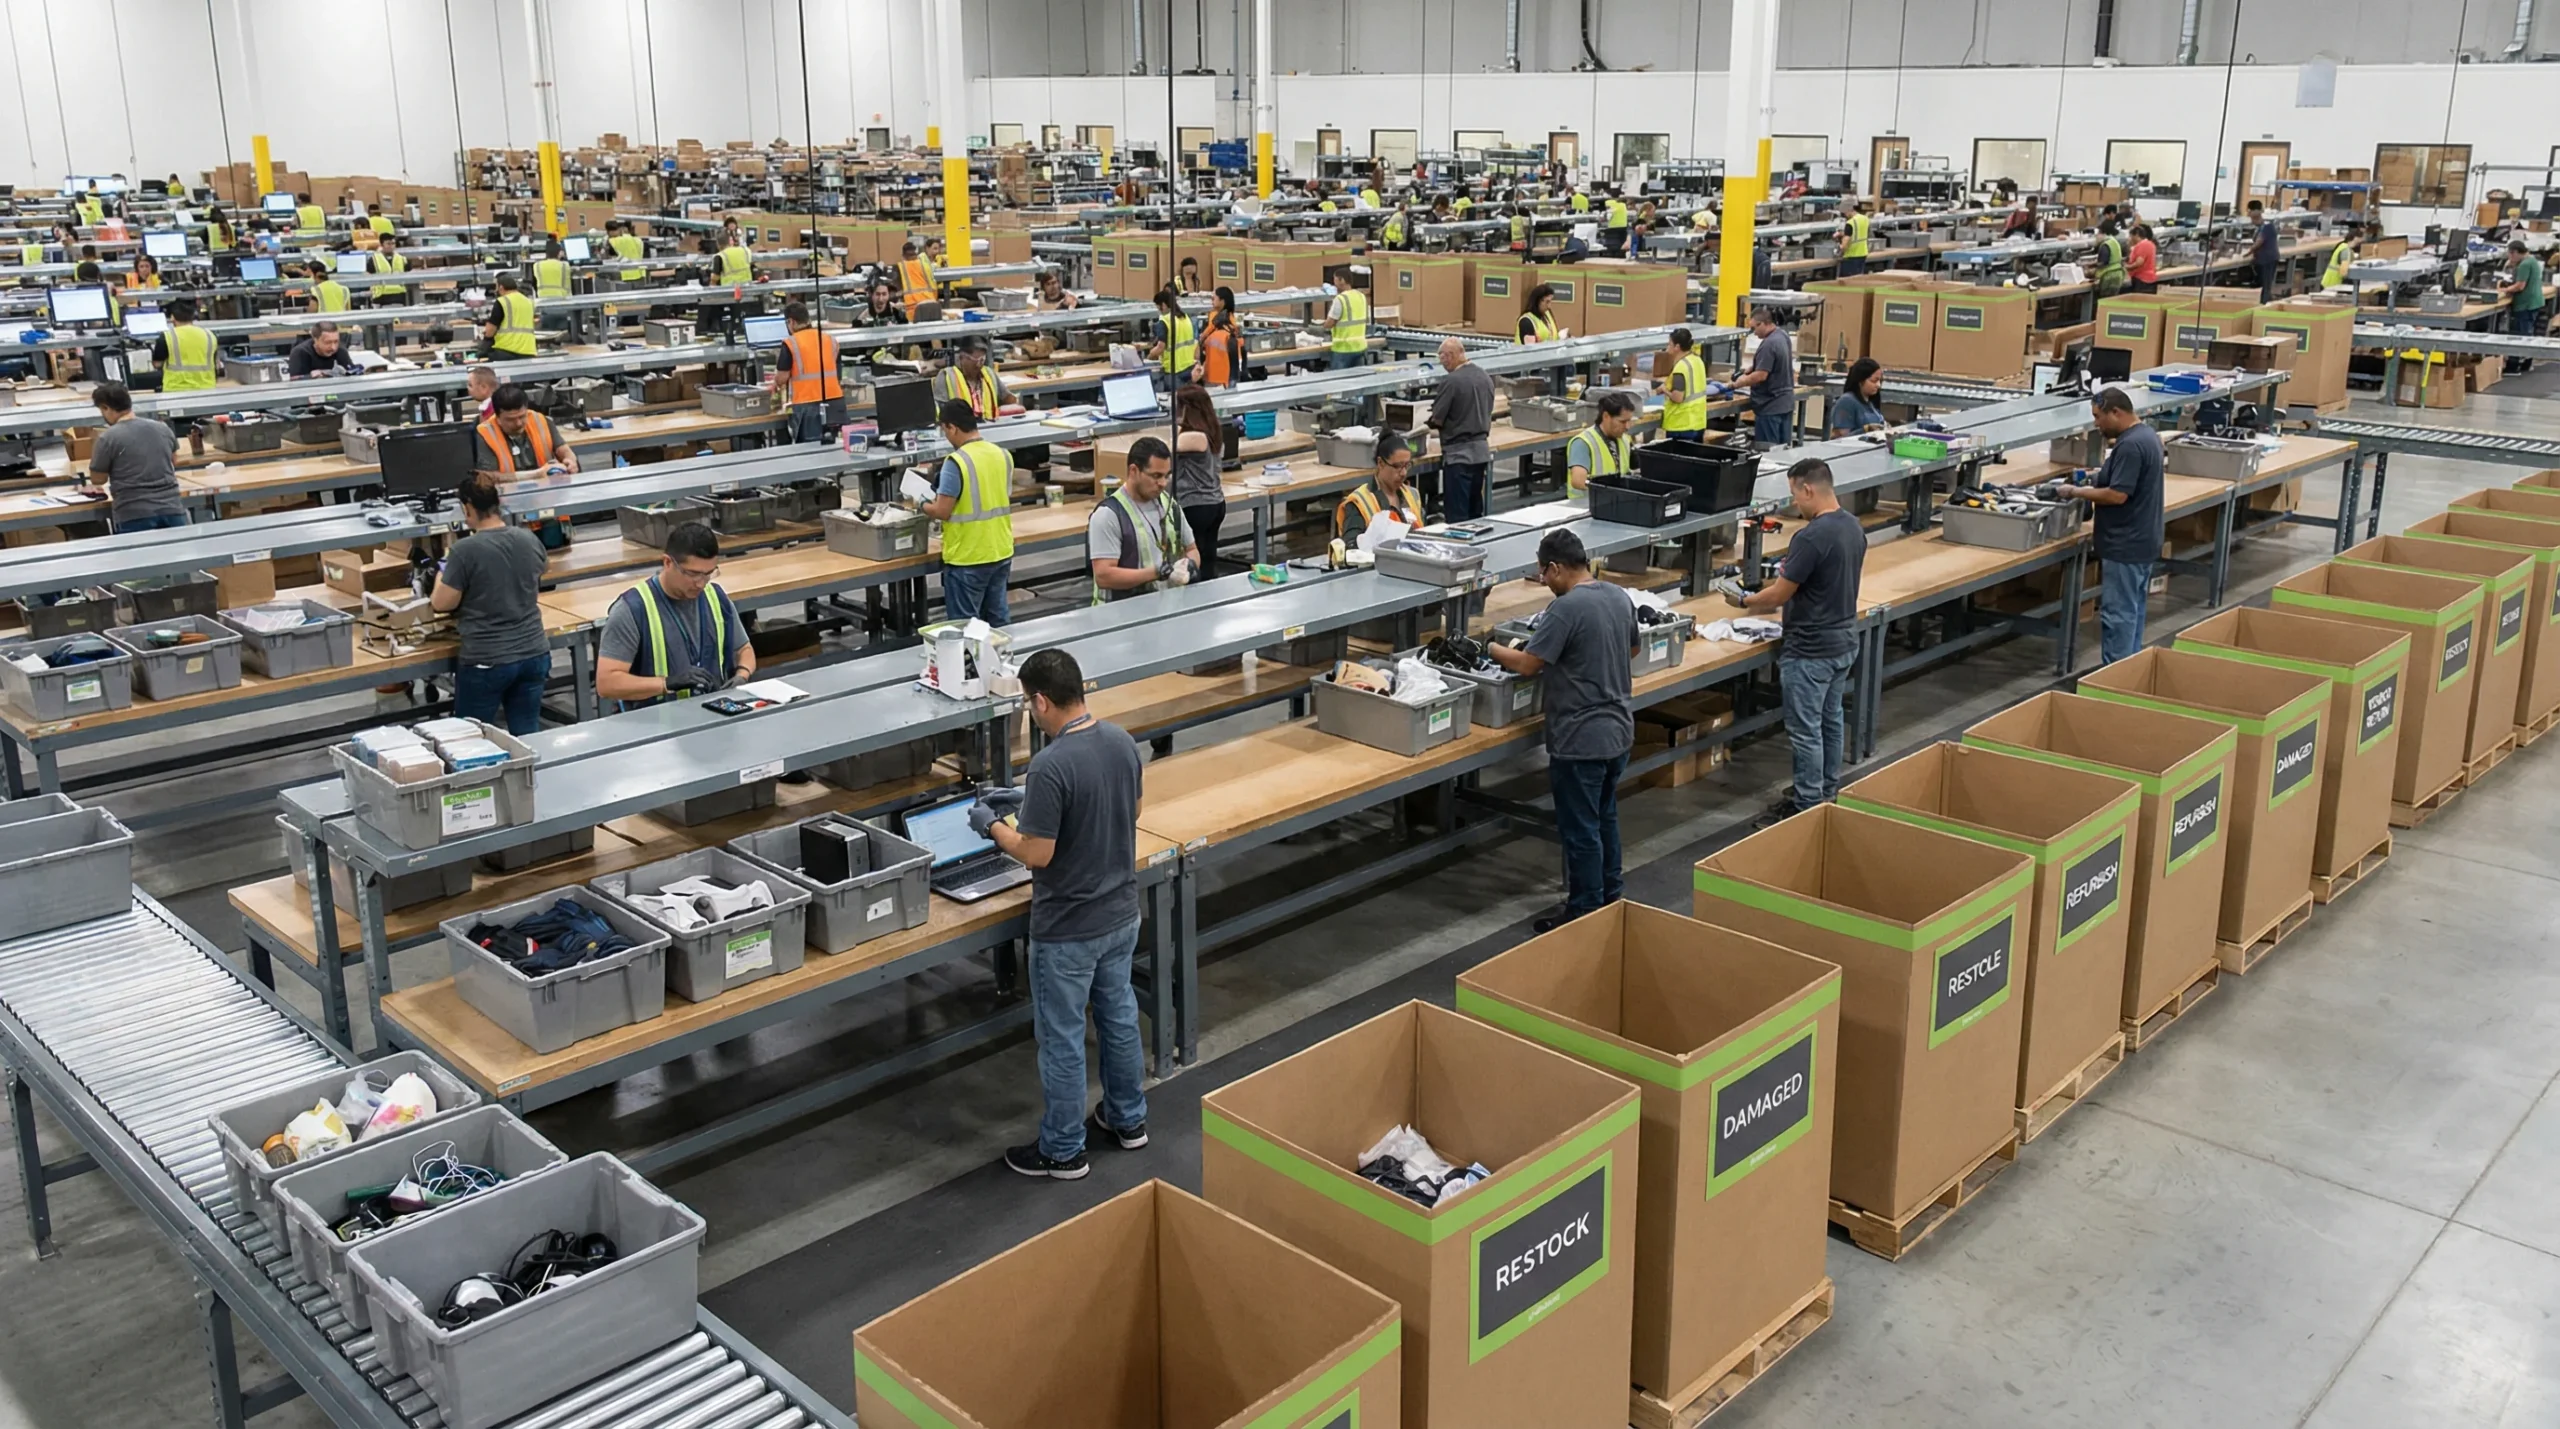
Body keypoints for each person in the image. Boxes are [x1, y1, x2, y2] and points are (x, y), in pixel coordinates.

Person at [981, 646, 1147, 1180]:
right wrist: (1032, 803)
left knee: (1062, 1038)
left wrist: (993, 825)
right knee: (1119, 1018)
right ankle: (1128, 1120)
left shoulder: (1052, 765)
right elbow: (1131, 808)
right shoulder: (1122, 742)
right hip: (1121, 914)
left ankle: (1062, 1150)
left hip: (1068, 931)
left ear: (1043, 701)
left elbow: (1037, 854)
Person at [1485, 527, 1637, 929]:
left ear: (1554, 568)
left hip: (1580, 739)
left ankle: (1585, 912)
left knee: (1581, 830)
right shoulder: (1617, 596)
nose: (1543, 582)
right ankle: (1610, 897)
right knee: (1605, 818)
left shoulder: (1566, 608)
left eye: (1541, 574)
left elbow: (1529, 664)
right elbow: (1632, 647)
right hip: (1619, 732)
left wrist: (1491, 647)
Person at [1722, 457, 1864, 817]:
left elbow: (1778, 595)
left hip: (1811, 649)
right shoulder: (1853, 527)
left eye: (1795, 495)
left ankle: (1806, 804)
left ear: (1808, 489)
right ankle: (1826, 790)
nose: (1795, 504)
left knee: (1805, 731)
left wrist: (1743, 600)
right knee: (1830, 720)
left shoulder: (1811, 537)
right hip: (1844, 640)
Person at [431, 473, 553, 735]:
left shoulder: (465, 551)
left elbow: (441, 603)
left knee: (470, 739)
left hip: (488, 659)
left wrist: (442, 572)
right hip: (533, 652)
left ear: (468, 508)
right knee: (528, 733)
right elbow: (543, 567)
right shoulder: (527, 539)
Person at [2053, 386, 2163, 665]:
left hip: (2125, 544)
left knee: (2119, 614)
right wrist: (2095, 476)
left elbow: (2117, 495)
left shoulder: (2129, 446)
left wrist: (2074, 492)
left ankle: (2114, 677)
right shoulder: (2146, 435)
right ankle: (2129, 671)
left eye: (2099, 416)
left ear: (2116, 412)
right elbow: (2122, 479)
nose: (2096, 423)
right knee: (2133, 610)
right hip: (2142, 540)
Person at [594, 522, 755, 708]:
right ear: (668, 562)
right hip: (656, 725)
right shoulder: (633, 610)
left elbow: (744, 650)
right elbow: (606, 683)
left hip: (713, 714)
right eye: (693, 574)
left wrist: (742, 675)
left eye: (708, 574)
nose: (701, 583)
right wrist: (666, 683)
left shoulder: (716, 598)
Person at [921, 399, 1015, 626]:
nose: (946, 437)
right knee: (998, 621)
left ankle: (969, 662)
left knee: (966, 629)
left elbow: (942, 511)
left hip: (969, 557)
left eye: (945, 430)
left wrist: (920, 504)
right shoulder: (1002, 454)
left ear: (951, 427)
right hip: (1000, 550)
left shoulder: (956, 462)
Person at [1088, 436, 1198, 605]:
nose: (1162, 483)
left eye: (1167, 476)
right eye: (1156, 476)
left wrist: (1189, 565)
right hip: (1121, 616)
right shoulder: (1108, 515)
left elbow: (1191, 548)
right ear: (1133, 471)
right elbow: (1104, 576)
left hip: (1165, 610)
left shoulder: (1168, 504)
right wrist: (1157, 573)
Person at [82, 383, 187, 533]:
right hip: (172, 508)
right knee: (178, 554)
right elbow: (174, 461)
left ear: (106, 408)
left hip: (134, 513)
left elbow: (98, 480)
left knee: (139, 556)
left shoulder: (108, 438)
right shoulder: (162, 428)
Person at [1429, 336, 1495, 522]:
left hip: (1459, 457)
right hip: (1481, 453)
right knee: (1475, 514)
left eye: (1442, 359)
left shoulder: (1451, 381)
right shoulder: (1485, 377)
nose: (1442, 364)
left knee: (1458, 518)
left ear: (1449, 356)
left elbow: (1437, 419)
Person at [1333, 429, 1427, 542]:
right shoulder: (1360, 503)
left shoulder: (1412, 495)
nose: (1403, 473)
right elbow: (1351, 546)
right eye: (1397, 466)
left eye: (1407, 465)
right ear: (1380, 463)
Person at [1170, 384, 1226, 575]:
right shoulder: (1212, 431)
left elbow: (1165, 449)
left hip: (1196, 505)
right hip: (1214, 503)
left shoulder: (1194, 436)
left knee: (1193, 563)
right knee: (1208, 558)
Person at [472, 383, 580, 476]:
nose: (518, 423)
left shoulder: (541, 421)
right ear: (498, 418)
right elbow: (491, 477)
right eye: (511, 419)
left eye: (522, 416)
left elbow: (564, 450)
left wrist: (570, 460)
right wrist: (537, 474)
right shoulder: (485, 433)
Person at [774, 300, 844, 441]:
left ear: (791, 322)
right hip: (835, 403)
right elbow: (838, 375)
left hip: (808, 407)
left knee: (811, 456)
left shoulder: (790, 343)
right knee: (835, 451)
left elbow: (781, 379)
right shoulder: (830, 340)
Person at [1733, 307, 1795, 446]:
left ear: (1763, 323)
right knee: (1783, 449)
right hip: (1784, 403)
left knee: (1768, 451)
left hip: (1770, 406)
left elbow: (1761, 376)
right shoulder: (1782, 336)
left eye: (1754, 328)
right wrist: (1755, 367)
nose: (1754, 333)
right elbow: (1775, 364)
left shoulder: (1769, 344)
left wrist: (1739, 382)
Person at [1564, 390, 1638, 496]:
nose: (1627, 426)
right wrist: (1604, 488)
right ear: (1606, 416)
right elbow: (1578, 481)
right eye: (1622, 422)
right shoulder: (1583, 443)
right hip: (1586, 506)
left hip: (1615, 503)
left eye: (1629, 421)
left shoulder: (1625, 440)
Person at [2500, 240, 2548, 374]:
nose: (2509, 258)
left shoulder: (2525, 265)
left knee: (2518, 335)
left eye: (2510, 255)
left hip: (2525, 304)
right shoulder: (2532, 260)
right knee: (2527, 334)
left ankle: (2513, 366)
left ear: (2515, 252)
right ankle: (2526, 364)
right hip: (2534, 302)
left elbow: (2520, 285)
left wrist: (2503, 290)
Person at [156, 298, 219, 397]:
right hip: (207, 391)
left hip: (175, 392)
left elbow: (157, 364)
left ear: (172, 318)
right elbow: (216, 364)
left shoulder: (167, 336)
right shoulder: (209, 335)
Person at [931, 336, 1007, 418]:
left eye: (982, 360)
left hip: (990, 426)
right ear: (962, 358)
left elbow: (1007, 398)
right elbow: (940, 414)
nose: (979, 365)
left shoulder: (989, 374)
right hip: (960, 429)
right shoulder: (946, 376)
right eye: (975, 361)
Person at [1659, 327, 1712, 443]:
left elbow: (1678, 397)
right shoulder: (1697, 361)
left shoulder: (1681, 367)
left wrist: (1664, 390)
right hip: (1698, 422)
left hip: (1681, 425)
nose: (1667, 348)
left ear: (1677, 347)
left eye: (1669, 344)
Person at [1147, 285, 1199, 390]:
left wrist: (1149, 356)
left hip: (1174, 371)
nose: (1159, 311)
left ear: (1164, 305)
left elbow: (1161, 347)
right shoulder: (1185, 318)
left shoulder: (1165, 320)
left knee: (1176, 401)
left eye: (1158, 307)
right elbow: (1195, 342)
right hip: (1189, 367)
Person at [482, 272, 538, 358]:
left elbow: (491, 329)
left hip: (506, 350)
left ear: (501, 287)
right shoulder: (528, 302)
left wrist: (485, 343)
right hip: (528, 350)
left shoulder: (502, 301)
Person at [1325, 266, 1371, 369]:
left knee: (1339, 382)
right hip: (1360, 347)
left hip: (1343, 349)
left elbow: (1330, 323)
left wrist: (1320, 327)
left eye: (1335, 280)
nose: (1334, 284)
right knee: (1358, 381)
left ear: (1342, 280)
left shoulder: (1340, 299)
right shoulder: (1361, 296)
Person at [1829, 357, 1889, 436]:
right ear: (1860, 381)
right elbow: (1841, 438)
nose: (1878, 385)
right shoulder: (1847, 402)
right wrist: (1866, 430)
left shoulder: (1870, 402)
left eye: (1880, 381)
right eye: (1873, 381)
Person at [1198, 286, 1243, 387]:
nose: (1211, 301)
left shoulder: (1230, 325)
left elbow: (1238, 351)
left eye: (1214, 298)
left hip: (1223, 379)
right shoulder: (1214, 319)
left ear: (1222, 301)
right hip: (1211, 374)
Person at [287, 322, 362, 378]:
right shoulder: (301, 353)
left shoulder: (340, 350)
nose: (333, 347)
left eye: (336, 341)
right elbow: (295, 382)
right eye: (328, 343)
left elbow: (352, 374)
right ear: (315, 340)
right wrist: (310, 377)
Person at [2249, 200, 2283, 300]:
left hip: (2268, 260)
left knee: (2266, 285)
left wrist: (2248, 252)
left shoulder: (2267, 226)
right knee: (2263, 285)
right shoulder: (2259, 228)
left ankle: (2265, 303)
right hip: (2262, 260)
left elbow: (2259, 242)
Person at [896, 239, 938, 316]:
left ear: (903, 255)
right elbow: (934, 286)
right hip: (931, 303)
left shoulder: (901, 267)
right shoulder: (925, 265)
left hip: (913, 308)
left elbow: (898, 291)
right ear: (916, 253)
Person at [2321, 225, 2367, 291]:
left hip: (2331, 281)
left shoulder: (2343, 246)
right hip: (2333, 283)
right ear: (2355, 238)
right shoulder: (2345, 250)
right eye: (2361, 237)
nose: (2362, 240)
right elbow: (2344, 271)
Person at [370, 231, 410, 305]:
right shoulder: (374, 259)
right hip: (380, 296)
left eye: (393, 243)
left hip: (399, 294)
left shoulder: (402, 258)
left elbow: (409, 273)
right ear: (382, 245)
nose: (391, 246)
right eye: (388, 244)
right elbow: (367, 275)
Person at [2092, 217, 2129, 298]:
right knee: (2111, 301)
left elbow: (2103, 262)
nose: (2096, 236)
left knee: (2104, 300)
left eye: (2097, 234)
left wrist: (2091, 266)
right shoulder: (2114, 241)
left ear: (2102, 233)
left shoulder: (2105, 245)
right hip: (2118, 275)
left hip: (2108, 277)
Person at [606, 218, 648, 284]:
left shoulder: (612, 241)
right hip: (640, 274)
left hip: (623, 276)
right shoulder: (638, 240)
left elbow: (608, 258)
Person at [1838, 199, 1872, 277]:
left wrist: (1841, 249)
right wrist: (1842, 233)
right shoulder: (1865, 219)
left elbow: (1845, 243)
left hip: (1851, 256)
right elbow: (1859, 232)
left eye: (1845, 213)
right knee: (1857, 279)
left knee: (1847, 281)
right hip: (1863, 253)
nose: (1845, 215)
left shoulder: (1850, 223)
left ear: (1849, 210)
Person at [2126, 222, 2159, 294]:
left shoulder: (2142, 245)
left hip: (2142, 280)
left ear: (2137, 235)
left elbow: (2139, 262)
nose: (2130, 238)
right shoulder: (2151, 244)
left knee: (2139, 301)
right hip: (2151, 278)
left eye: (2131, 236)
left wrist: (2127, 267)